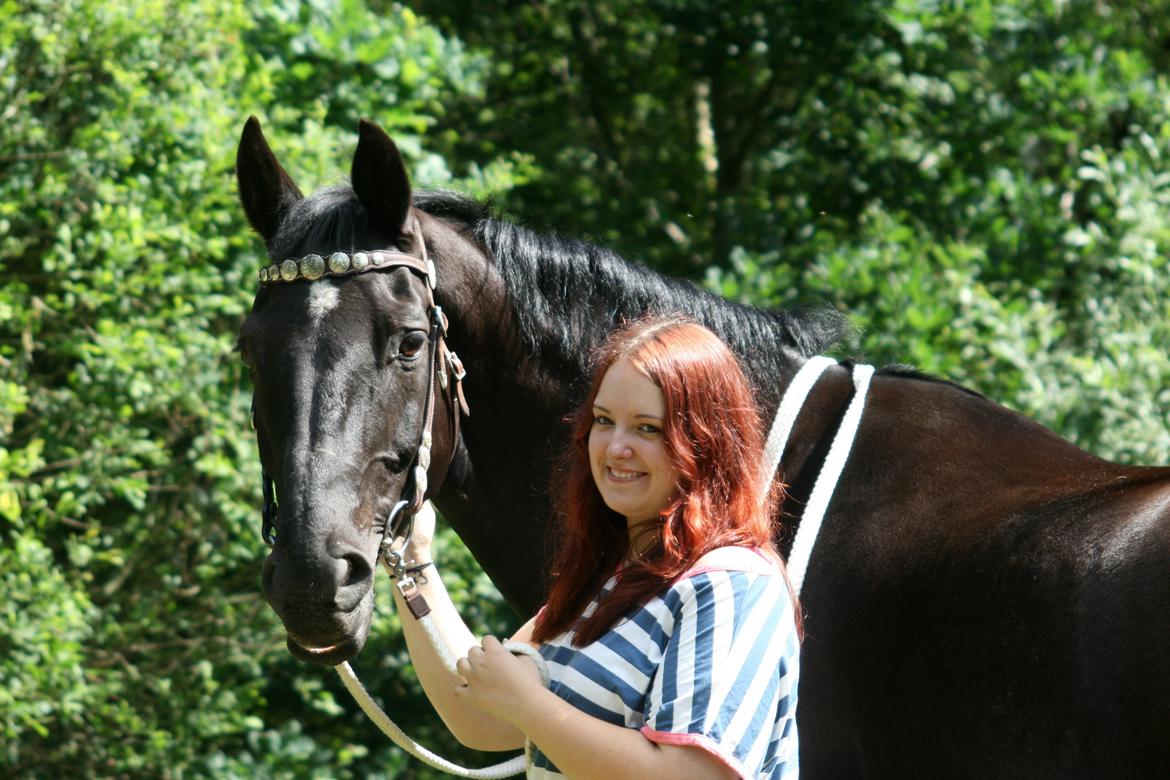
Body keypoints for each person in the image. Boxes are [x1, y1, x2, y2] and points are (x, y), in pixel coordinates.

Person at [392, 316, 801, 779]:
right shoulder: (612, 578)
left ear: (706, 443)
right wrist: (410, 558)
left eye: (647, 428)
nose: (615, 447)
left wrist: (528, 704)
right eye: (604, 421)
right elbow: (478, 715)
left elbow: (697, 774)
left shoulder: (732, 584)